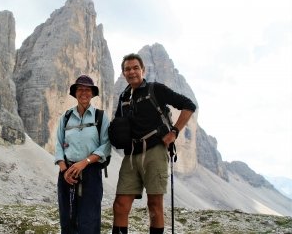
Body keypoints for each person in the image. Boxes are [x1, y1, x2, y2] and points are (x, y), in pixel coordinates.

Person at [111, 54, 196, 234]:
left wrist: (174, 131)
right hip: (131, 155)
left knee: (154, 205)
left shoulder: (155, 89)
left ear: (143, 70)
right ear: (123, 73)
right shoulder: (124, 96)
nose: (132, 72)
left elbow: (189, 105)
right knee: (120, 204)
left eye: (135, 68)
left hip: (155, 152)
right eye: (127, 69)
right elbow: (119, 123)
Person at [55, 74, 111, 234]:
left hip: (91, 173)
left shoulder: (100, 117)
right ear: (75, 93)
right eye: (80, 89)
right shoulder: (66, 117)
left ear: (92, 94)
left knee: (89, 219)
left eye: (88, 90)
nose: (84, 93)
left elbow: (106, 146)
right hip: (67, 172)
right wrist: (63, 169)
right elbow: (59, 144)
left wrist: (84, 162)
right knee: (67, 218)